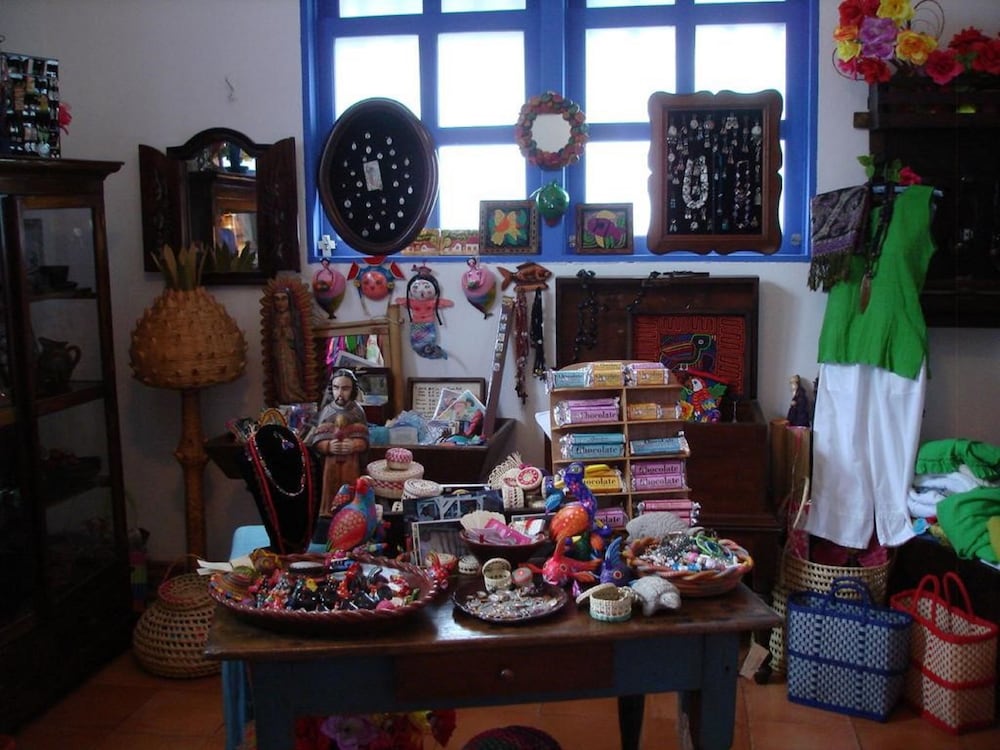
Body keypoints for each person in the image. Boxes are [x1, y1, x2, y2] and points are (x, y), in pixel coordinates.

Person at [307, 369, 370, 517]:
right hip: (331, 462)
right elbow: (317, 440)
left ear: (353, 390)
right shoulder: (327, 411)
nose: (340, 393)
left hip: (351, 462)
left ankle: (351, 511)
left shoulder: (357, 411)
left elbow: (365, 440)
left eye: (345, 388)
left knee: (351, 486)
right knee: (331, 486)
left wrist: (354, 445)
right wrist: (328, 446)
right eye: (336, 388)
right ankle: (328, 511)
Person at [270, 289, 309, 404]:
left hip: (291, 350)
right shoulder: (274, 317)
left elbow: (299, 334)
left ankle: (296, 396)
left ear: (289, 300)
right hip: (279, 349)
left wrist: (289, 332)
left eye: (283, 299)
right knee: (281, 375)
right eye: (277, 299)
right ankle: (284, 398)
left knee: (292, 373)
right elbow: (271, 335)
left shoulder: (294, 315)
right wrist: (277, 332)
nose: (280, 303)